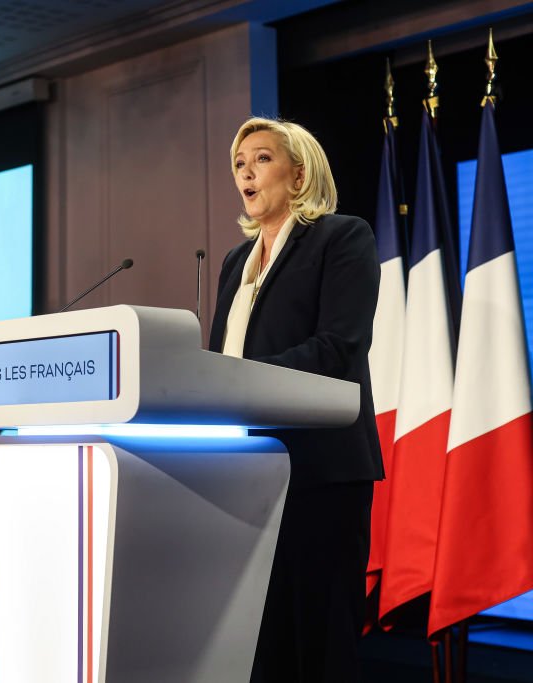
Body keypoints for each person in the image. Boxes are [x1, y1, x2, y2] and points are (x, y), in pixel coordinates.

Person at [208, 117, 382, 682]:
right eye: (239, 164)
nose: (245, 173)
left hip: (320, 473)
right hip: (243, 473)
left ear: (299, 172)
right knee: (262, 646)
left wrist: (236, 381)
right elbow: (219, 358)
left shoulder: (341, 237)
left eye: (260, 159)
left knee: (321, 645)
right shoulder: (236, 262)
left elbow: (338, 347)